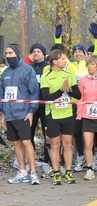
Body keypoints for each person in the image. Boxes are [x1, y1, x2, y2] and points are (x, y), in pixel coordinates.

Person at [41, 49, 81, 185]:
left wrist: (69, 90)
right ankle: (56, 172)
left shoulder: (69, 74)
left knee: (68, 144)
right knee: (55, 145)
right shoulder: (45, 76)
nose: (65, 61)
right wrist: (60, 91)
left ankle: (68, 172)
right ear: (55, 61)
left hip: (68, 114)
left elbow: (78, 95)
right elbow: (46, 97)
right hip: (52, 115)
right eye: (63, 58)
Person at [0, 44, 39, 184]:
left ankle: (33, 172)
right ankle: (22, 171)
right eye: (6, 53)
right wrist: (3, 113)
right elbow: (2, 94)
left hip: (23, 113)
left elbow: (34, 92)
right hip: (9, 114)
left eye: (10, 53)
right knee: (16, 142)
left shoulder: (27, 70)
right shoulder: (5, 72)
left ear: (17, 53)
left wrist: (31, 111)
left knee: (26, 142)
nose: (8, 56)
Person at [30, 44, 51, 175]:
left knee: (47, 135)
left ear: (44, 54)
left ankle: (48, 161)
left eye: (38, 51)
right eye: (34, 51)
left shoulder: (47, 68)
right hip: (32, 106)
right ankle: (31, 160)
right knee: (29, 134)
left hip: (45, 106)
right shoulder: (29, 68)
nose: (36, 53)